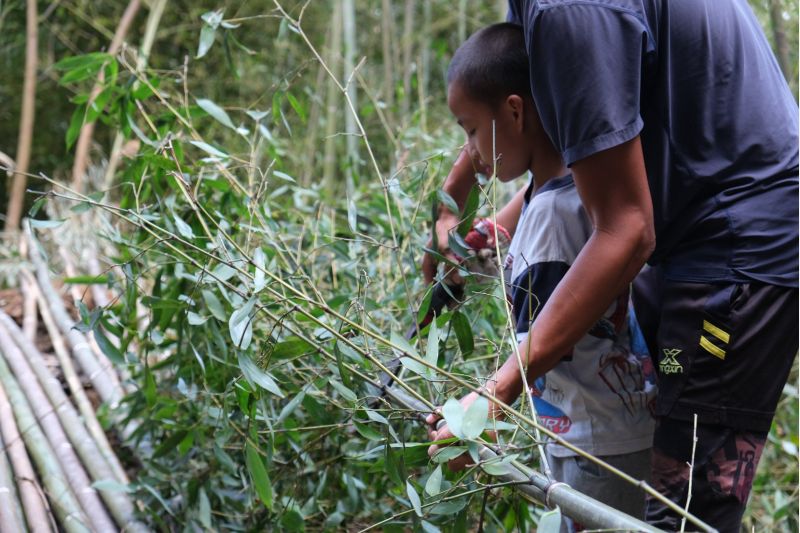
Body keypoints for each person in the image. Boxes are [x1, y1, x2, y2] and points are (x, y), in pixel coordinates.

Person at [425, 1, 799, 531]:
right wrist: (453, 214)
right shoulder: (540, 14)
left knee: (682, 511)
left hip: (734, 251)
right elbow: (519, 101)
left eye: (469, 131)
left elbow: (624, 230)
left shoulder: (568, 10)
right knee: (674, 385)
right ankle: (680, 402)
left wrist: (491, 398)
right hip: (682, 244)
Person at [425, 23, 657, 528]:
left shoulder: (553, 218)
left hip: (593, 442)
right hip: (598, 427)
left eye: (469, 130)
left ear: (514, 110)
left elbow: (539, 352)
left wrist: (474, 423)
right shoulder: (557, 192)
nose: (470, 151)